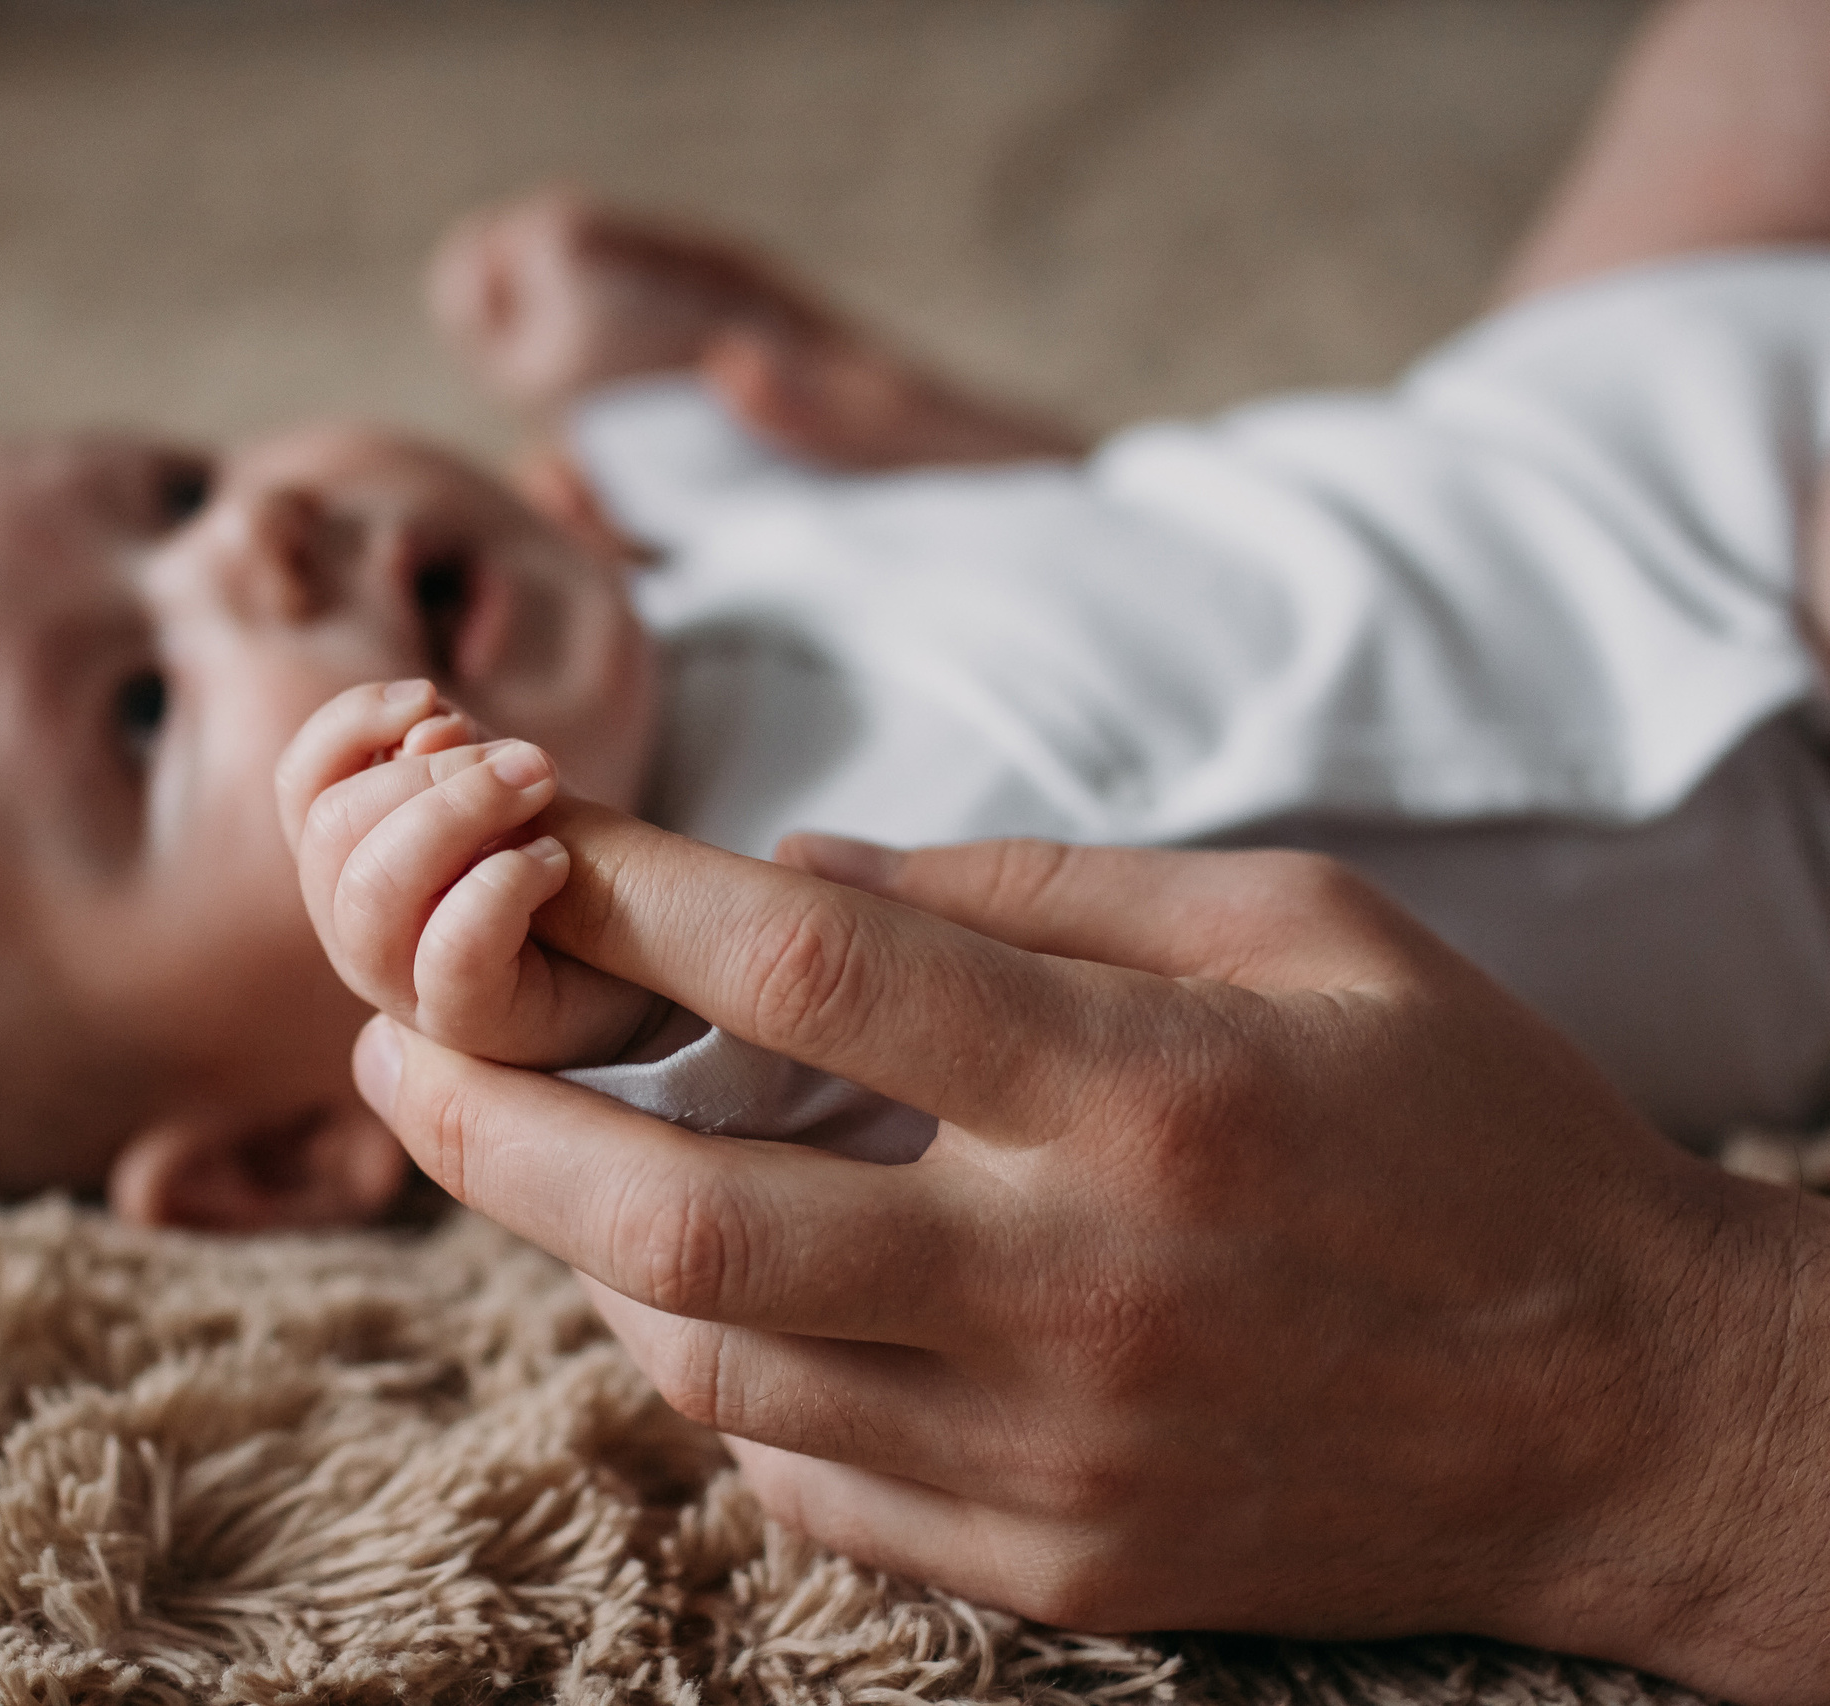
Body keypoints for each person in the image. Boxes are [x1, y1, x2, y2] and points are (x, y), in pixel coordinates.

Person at [341, 1, 1830, 1698]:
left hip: (1545, 436)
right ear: (279, 1157)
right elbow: (811, 1155)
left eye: (180, 487)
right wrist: (550, 1010)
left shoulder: (693, 534)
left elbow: (1107, 524)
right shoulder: (697, 948)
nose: (252, 537)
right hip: (1779, 770)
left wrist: (729, 372)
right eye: (144, 712)